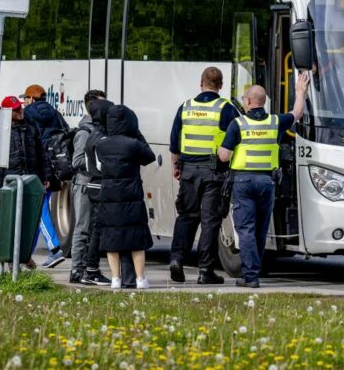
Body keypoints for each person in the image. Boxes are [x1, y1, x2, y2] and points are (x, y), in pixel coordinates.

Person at [218, 72, 310, 288]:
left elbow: (224, 155)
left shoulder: (237, 124)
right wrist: (300, 91)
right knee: (260, 229)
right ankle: (254, 272)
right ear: (263, 102)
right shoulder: (275, 122)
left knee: (246, 229)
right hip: (267, 183)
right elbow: (297, 113)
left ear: (249, 102)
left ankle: (250, 276)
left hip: (243, 182)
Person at [168, 67, 240, 284]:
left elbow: (174, 143)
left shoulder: (186, 107)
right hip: (214, 173)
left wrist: (176, 167)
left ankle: (177, 259)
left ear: (201, 83)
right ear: (221, 85)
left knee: (186, 217)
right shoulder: (227, 109)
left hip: (189, 170)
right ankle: (205, 271)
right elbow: (238, 136)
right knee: (210, 222)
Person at [89, 104, 156, 289]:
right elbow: (149, 156)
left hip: (109, 197)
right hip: (131, 196)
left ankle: (115, 279)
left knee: (111, 239)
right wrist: (138, 134)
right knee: (136, 240)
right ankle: (140, 278)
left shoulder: (101, 144)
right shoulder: (133, 145)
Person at [0, 95, 52, 269]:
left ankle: (25, 255)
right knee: (11, 221)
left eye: (20, 108)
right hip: (10, 181)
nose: (20, 111)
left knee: (30, 221)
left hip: (30, 178)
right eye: (15, 110)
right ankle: (10, 261)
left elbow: (41, 152)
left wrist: (45, 176)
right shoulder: (1, 129)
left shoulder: (30, 126)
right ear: (7, 112)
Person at [20, 84, 68, 269]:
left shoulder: (28, 114)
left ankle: (54, 249)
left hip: (38, 169)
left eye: (25, 98)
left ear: (31, 99)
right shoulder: (55, 113)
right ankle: (26, 256)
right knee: (37, 211)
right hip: (55, 167)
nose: (24, 102)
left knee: (39, 211)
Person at [69, 90, 112, 286]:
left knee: (93, 229)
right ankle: (77, 269)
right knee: (83, 228)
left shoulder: (99, 128)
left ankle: (88, 267)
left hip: (95, 184)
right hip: (85, 184)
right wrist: (98, 164)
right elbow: (76, 160)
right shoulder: (84, 132)